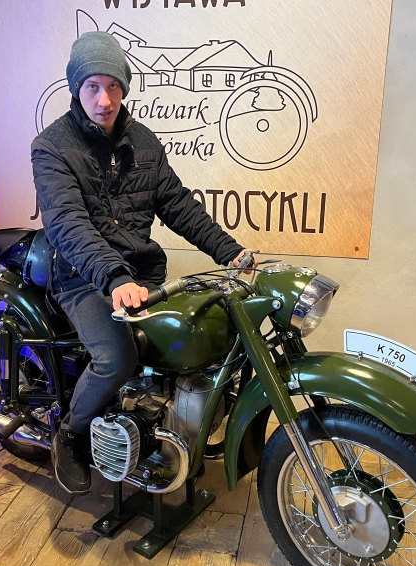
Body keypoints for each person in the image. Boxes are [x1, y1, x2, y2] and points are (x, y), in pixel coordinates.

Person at [31, 31, 258, 495]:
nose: (104, 99)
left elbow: (177, 204)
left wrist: (229, 251)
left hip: (140, 273)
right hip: (81, 276)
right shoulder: (51, 146)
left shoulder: (143, 142)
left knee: (190, 338)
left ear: (125, 87)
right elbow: (69, 224)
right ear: (75, 87)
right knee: (117, 357)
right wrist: (113, 276)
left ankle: (160, 431)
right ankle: (70, 434)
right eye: (93, 86)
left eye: (113, 86)